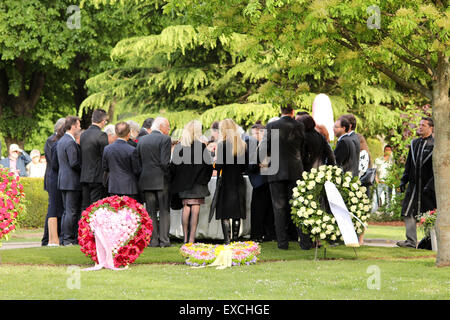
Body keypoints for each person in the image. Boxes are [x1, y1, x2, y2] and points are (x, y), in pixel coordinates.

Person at [259, 104, 311, 250]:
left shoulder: (272, 126)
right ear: (293, 111)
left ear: (280, 110)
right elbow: (302, 147)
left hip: (276, 170)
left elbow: (264, 148)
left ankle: (282, 243)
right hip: (296, 169)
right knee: (298, 206)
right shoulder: (299, 126)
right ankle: (305, 242)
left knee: (279, 208)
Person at [170, 120, 213, 243]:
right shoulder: (201, 147)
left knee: (186, 207)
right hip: (198, 183)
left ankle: (185, 238)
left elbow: (173, 167)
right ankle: (191, 239)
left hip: (183, 184)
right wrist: (205, 180)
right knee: (195, 208)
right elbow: (208, 166)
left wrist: (177, 179)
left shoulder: (179, 147)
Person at [397, 117, 436, 249]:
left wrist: (431, 186)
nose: (420, 127)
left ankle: (431, 241)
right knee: (408, 212)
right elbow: (408, 164)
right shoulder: (414, 144)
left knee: (430, 214)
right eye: (419, 125)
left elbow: (437, 169)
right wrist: (404, 179)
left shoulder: (435, 145)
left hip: (428, 188)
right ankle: (411, 241)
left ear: (431, 128)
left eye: (423, 125)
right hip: (413, 187)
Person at [136, 117, 172, 247]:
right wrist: (168, 176)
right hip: (161, 179)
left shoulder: (142, 140)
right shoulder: (165, 139)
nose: (168, 130)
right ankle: (164, 240)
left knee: (150, 211)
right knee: (164, 210)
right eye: (168, 127)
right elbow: (165, 162)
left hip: (145, 179)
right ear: (161, 127)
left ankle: (153, 240)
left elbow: (137, 162)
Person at [213, 119, 248, 245]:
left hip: (226, 181)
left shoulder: (222, 145)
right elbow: (245, 166)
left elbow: (218, 167)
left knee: (225, 212)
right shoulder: (243, 145)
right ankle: (235, 239)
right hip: (238, 181)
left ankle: (227, 240)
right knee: (237, 211)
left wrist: (215, 161)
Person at [248, 123, 275, 242]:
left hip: (263, 181)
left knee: (261, 209)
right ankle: (264, 233)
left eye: (255, 133)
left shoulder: (264, 146)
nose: (253, 136)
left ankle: (260, 234)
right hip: (262, 180)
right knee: (263, 209)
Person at [57, 116, 82, 246]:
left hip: (63, 180)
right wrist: (83, 169)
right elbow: (74, 163)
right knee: (71, 211)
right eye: (78, 125)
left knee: (67, 211)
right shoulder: (70, 142)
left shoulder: (61, 141)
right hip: (72, 181)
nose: (79, 128)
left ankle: (64, 238)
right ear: (73, 126)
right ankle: (69, 239)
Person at [41, 118, 65, 246]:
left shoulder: (55, 140)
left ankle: (55, 237)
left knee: (57, 208)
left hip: (56, 177)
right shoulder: (51, 140)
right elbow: (53, 161)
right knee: (53, 208)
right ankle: (47, 239)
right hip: (53, 178)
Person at [102, 122, 141, 199]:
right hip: (129, 187)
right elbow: (137, 170)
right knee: (129, 210)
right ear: (129, 133)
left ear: (116, 133)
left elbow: (105, 167)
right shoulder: (132, 150)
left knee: (115, 209)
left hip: (113, 186)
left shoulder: (107, 149)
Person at [80, 109, 109, 210]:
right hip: (97, 176)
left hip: (84, 176)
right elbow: (105, 156)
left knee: (85, 206)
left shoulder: (83, 135)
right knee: (96, 207)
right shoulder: (102, 135)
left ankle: (83, 226)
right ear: (103, 120)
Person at [373, 145, 393, 211]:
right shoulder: (378, 160)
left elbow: (394, 172)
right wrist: (376, 179)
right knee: (376, 199)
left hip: (388, 183)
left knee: (388, 201)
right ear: (384, 150)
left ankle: (387, 215)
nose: (387, 151)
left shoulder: (392, 161)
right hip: (379, 182)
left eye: (389, 150)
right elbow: (374, 171)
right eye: (386, 150)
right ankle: (374, 214)